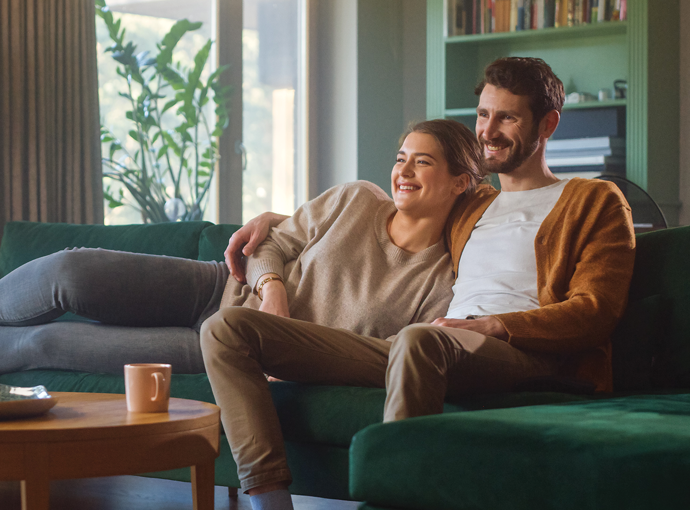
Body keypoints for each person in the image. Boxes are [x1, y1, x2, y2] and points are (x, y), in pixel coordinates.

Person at [212, 57, 635, 508]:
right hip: (431, 343)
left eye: (507, 117)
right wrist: (279, 222)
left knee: (421, 340)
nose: (488, 131)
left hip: (525, 353)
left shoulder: (594, 200)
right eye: (483, 115)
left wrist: (494, 326)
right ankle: (270, 499)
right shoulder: (473, 203)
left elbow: (596, 310)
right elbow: (401, 203)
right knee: (227, 329)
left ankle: (388, 499)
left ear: (547, 123)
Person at [0, 119, 480, 379]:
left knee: (47, 343)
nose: (403, 172)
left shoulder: (443, 280)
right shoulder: (356, 199)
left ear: (462, 182)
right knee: (68, 271)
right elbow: (272, 242)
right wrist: (273, 291)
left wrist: (292, 354)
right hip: (215, 286)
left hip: (228, 345)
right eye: (400, 159)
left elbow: (389, 356)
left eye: (422, 163)